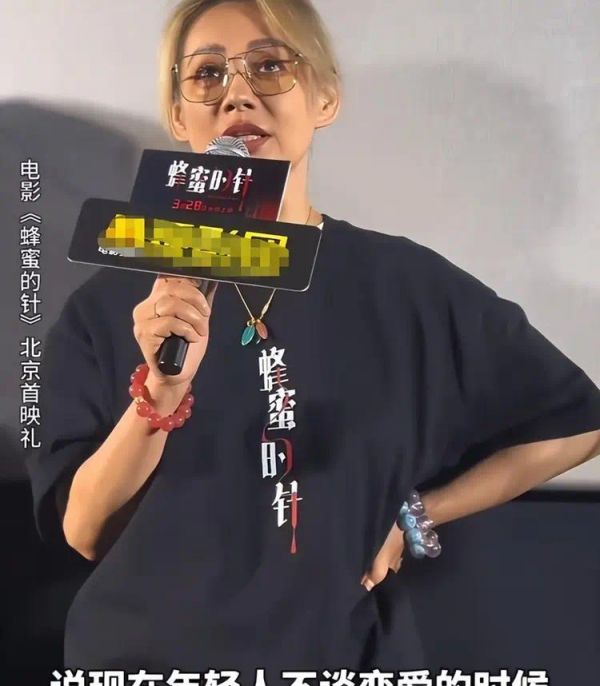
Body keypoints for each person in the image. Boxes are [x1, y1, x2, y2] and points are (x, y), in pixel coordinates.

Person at [27, 0, 600, 682]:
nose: (237, 93)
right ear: (180, 116)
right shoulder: (110, 304)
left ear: (323, 97)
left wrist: (417, 512)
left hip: (340, 656)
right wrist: (162, 391)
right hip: (146, 663)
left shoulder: (403, 285)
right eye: (207, 74)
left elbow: (577, 424)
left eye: (270, 66)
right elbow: (84, 531)